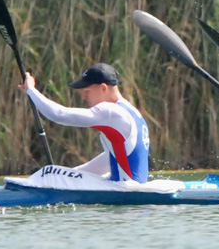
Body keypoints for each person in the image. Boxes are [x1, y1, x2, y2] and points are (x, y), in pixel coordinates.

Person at [19, 63, 150, 182]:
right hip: (130, 187)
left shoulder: (111, 112)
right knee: (53, 174)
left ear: (103, 88)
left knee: (47, 174)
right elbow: (108, 160)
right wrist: (68, 174)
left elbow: (59, 115)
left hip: (124, 191)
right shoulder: (132, 112)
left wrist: (31, 90)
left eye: (87, 91)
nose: (84, 97)